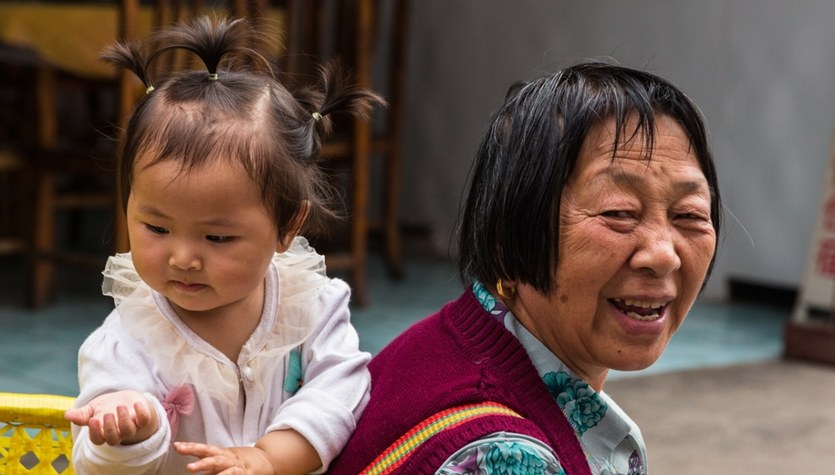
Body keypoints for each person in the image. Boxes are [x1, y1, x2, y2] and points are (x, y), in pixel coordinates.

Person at [328, 60, 721, 475]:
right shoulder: (504, 458)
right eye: (619, 211)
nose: (663, 255)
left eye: (689, 214)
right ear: (508, 232)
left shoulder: (447, 342)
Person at [64, 16, 381, 475]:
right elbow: (96, 465)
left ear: (287, 227)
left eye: (216, 237)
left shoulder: (313, 309)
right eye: (156, 228)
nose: (183, 257)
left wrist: (270, 458)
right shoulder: (127, 338)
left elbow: (340, 392)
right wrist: (131, 429)